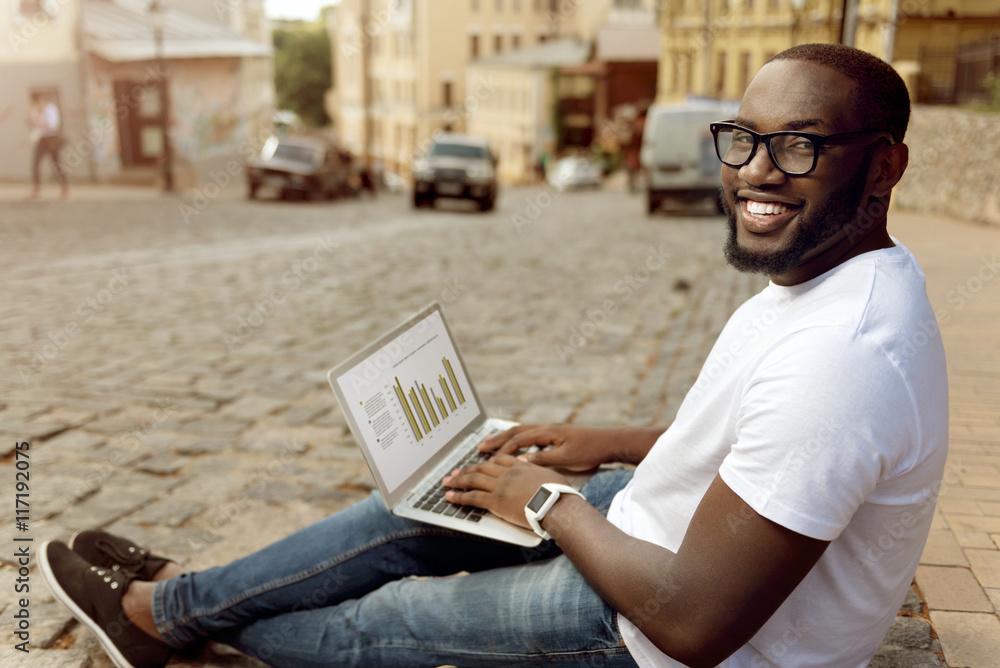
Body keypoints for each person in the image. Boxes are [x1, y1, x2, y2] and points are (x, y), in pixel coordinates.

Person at [40, 43, 947, 668]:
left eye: (800, 146)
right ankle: (185, 601)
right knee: (417, 506)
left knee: (388, 621)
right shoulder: (836, 280)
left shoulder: (845, 357)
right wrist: (611, 441)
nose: (754, 171)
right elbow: (766, 442)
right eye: (742, 139)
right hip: (653, 523)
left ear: (884, 167)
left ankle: (150, 619)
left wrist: (545, 503)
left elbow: (692, 623)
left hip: (651, 634)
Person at [27, 91, 69, 200]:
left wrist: (40, 117)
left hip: (52, 139)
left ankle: (65, 187)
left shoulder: (51, 109)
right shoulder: (35, 110)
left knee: (57, 164)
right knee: (35, 162)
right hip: (42, 138)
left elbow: (52, 124)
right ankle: (37, 189)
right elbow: (31, 122)